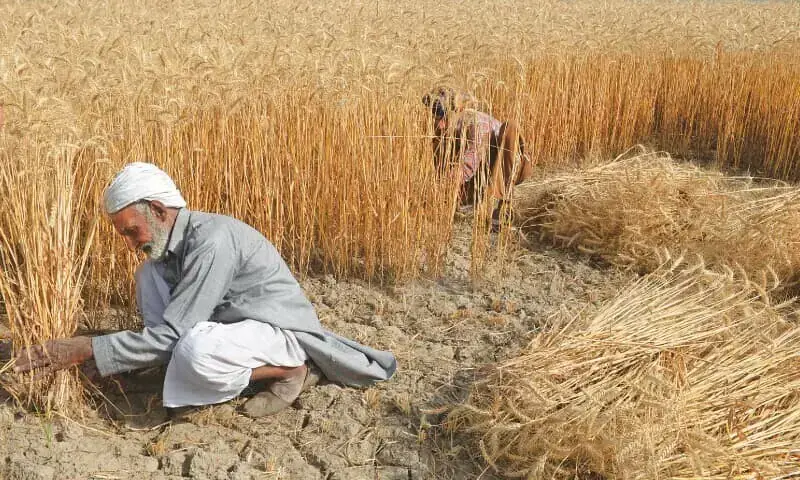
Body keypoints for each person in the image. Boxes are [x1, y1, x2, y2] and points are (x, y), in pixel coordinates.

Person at [13, 163, 397, 418]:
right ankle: (173, 368)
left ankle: (290, 371)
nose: (130, 242)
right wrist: (112, 354)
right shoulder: (165, 250)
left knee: (195, 350)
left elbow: (177, 334)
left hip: (275, 330)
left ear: (159, 211)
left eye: (132, 230)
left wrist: (89, 347)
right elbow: (168, 328)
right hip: (232, 327)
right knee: (148, 276)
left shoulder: (212, 241)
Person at [422, 87, 533, 227]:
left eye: (441, 114)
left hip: (507, 167)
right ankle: (464, 198)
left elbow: (470, 161)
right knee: (439, 140)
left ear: (457, 111)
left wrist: (442, 188)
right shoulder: (446, 127)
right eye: (434, 114)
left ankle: (504, 205)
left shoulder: (477, 124)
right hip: (480, 171)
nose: (439, 121)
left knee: (510, 128)